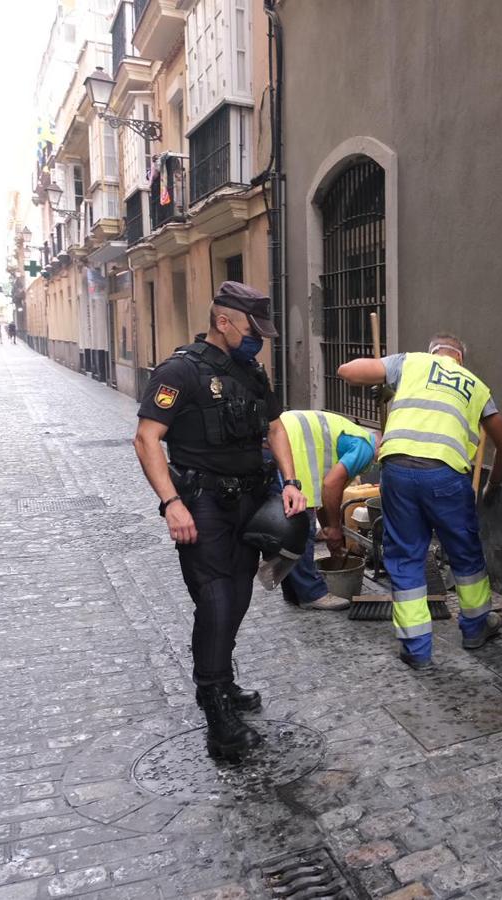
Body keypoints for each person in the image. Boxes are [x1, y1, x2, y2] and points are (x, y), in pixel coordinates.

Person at [133, 281, 306, 760]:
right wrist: (172, 504)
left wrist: (290, 483)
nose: (260, 340)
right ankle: (216, 717)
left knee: (240, 595)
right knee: (215, 602)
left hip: (248, 502)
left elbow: (274, 427)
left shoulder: (251, 372)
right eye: (253, 330)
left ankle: (223, 685)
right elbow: (147, 439)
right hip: (202, 503)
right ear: (224, 321)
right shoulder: (180, 371)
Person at [337, 333, 502, 669]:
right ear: (460, 357)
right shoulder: (475, 385)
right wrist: (494, 485)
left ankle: (416, 650)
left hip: (397, 470)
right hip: (446, 476)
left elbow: (348, 371)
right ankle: (476, 629)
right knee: (465, 554)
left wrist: (387, 385)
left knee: (404, 556)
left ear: (434, 351)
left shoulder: (411, 363)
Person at [270, 409, 380, 611]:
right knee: (301, 528)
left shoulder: (350, 433)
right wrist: (335, 529)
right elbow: (330, 485)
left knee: (287, 528)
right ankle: (312, 594)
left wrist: (330, 528)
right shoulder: (365, 447)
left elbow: (326, 494)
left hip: (277, 439)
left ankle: (294, 591)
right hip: (287, 446)